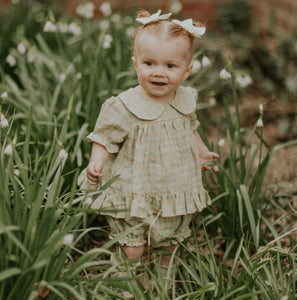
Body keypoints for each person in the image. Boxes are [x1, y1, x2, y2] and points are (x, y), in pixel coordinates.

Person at [79, 9, 219, 275]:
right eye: (149, 64)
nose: (159, 73)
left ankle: (163, 277)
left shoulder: (185, 100)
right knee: (132, 245)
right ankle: (126, 282)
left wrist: (201, 152)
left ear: (187, 71)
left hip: (174, 187)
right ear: (136, 64)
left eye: (170, 66)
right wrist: (96, 163)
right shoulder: (125, 106)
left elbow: (191, 128)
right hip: (135, 189)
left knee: (170, 241)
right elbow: (104, 138)